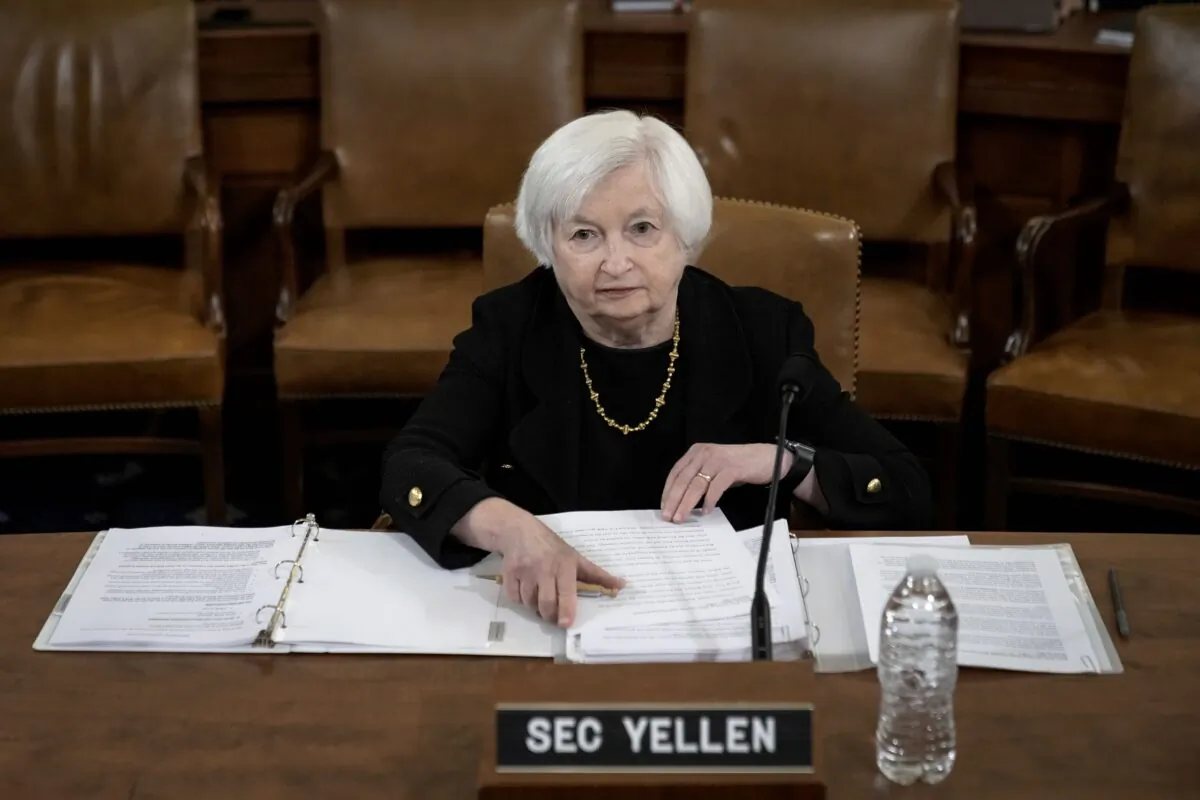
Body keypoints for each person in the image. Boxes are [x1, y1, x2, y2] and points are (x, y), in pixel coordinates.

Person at [380, 110, 931, 627]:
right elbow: (411, 462)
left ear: (685, 235)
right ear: (548, 245)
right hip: (555, 619)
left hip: (722, 624)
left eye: (642, 228)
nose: (615, 263)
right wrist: (511, 527)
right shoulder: (510, 326)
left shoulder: (763, 331)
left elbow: (906, 486)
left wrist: (782, 460)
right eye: (583, 235)